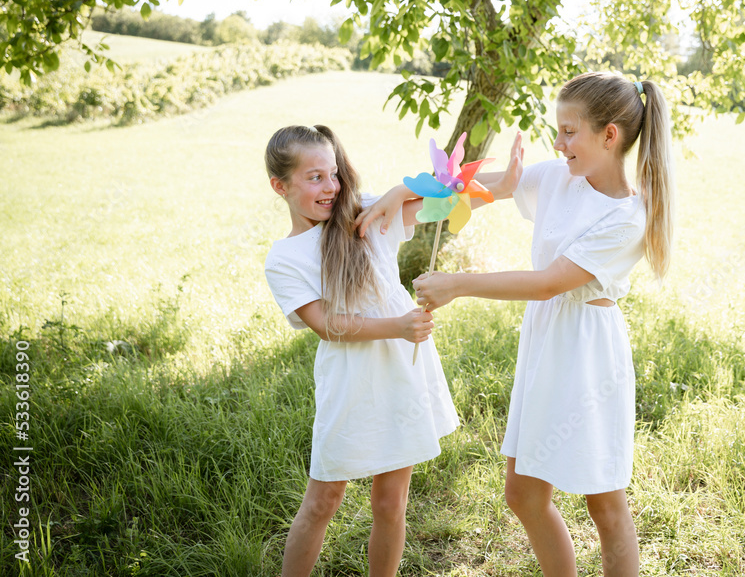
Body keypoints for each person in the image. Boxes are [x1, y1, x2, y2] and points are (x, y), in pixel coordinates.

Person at [409, 73, 676, 577]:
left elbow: (550, 282)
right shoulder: (559, 176)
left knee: (604, 501)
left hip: (587, 353)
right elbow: (464, 187)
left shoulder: (626, 217)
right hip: (547, 342)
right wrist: (381, 201)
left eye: (569, 131)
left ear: (610, 135)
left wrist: (457, 283)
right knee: (524, 493)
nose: (558, 142)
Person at [263, 123, 514, 577]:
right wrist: (397, 326)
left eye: (333, 174)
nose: (330, 187)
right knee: (324, 499)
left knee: (390, 503)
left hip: (402, 376)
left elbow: (460, 195)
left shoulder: (369, 215)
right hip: (351, 384)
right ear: (280, 186)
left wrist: (402, 189)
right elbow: (327, 325)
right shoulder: (285, 258)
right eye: (314, 177)